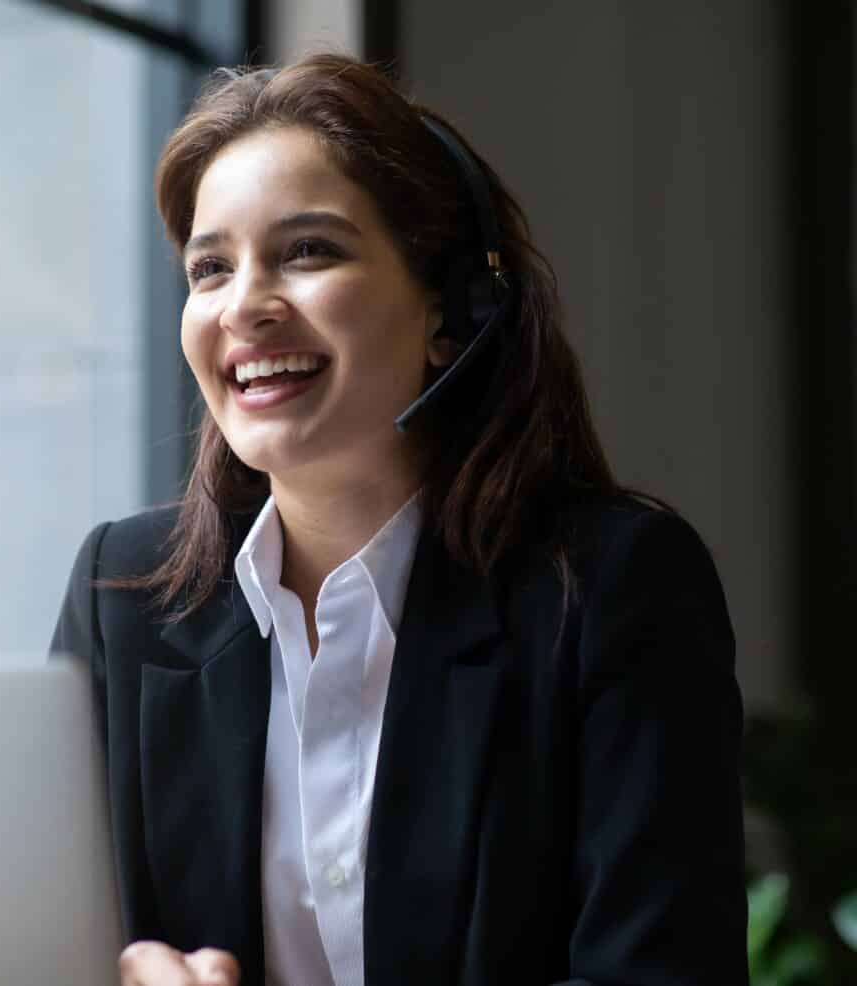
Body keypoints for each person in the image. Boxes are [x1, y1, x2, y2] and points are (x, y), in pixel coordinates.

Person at [50, 54, 744, 986]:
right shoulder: (124, 596)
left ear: (449, 313)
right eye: (209, 267)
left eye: (308, 251)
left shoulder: (611, 588)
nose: (244, 306)